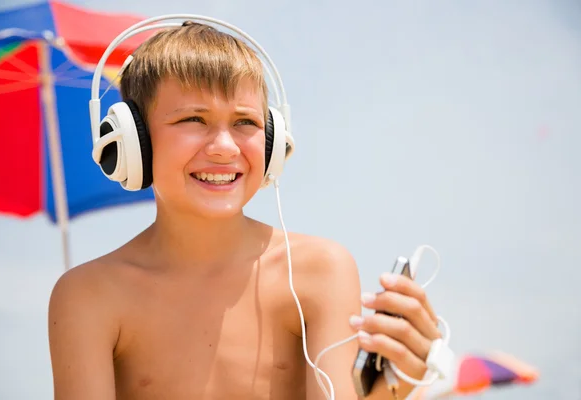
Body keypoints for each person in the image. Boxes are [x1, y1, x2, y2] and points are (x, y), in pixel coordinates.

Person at [48, 21, 443, 400]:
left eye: (245, 122)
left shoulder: (318, 272)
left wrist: (391, 391)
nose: (224, 146)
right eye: (193, 119)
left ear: (273, 142)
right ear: (132, 140)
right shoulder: (88, 297)